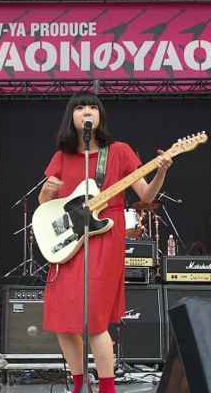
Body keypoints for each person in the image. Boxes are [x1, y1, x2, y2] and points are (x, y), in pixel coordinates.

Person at [38, 91, 172, 393]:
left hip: (104, 240)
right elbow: (45, 205)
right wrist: (47, 190)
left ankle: (107, 388)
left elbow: (146, 196)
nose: (87, 111)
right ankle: (79, 384)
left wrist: (161, 173)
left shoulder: (119, 151)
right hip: (68, 243)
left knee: (94, 321)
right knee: (62, 321)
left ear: (100, 116)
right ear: (71, 116)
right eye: (80, 107)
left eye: (92, 107)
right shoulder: (61, 156)